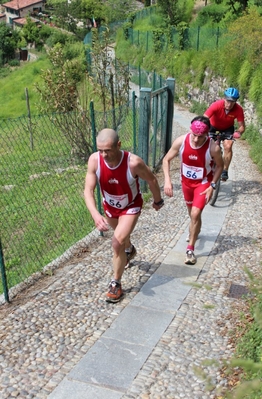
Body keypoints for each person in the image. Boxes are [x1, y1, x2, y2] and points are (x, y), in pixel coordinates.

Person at [84, 128, 164, 303]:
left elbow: (152, 180)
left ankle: (116, 283)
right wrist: (96, 215)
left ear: (118, 145)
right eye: (100, 150)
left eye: (108, 150)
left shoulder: (133, 163)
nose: (104, 155)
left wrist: (157, 200)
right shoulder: (94, 161)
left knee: (116, 242)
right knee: (123, 240)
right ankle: (130, 250)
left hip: (130, 206)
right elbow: (88, 190)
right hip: (110, 207)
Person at [162, 116, 224, 265]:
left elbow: (220, 166)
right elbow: (166, 159)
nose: (196, 140)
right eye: (194, 135)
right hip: (186, 184)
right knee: (193, 215)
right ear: (191, 131)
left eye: (200, 136)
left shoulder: (213, 148)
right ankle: (195, 231)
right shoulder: (181, 141)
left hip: (203, 184)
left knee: (195, 214)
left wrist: (212, 185)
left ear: (207, 134)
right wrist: (167, 180)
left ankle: (190, 250)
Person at [204, 87, 245, 181]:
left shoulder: (238, 109)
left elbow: (242, 126)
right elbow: (205, 117)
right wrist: (203, 128)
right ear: (224, 98)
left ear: (236, 101)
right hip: (212, 126)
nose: (229, 104)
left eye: (232, 102)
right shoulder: (216, 105)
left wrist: (238, 132)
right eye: (228, 101)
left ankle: (225, 170)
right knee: (206, 144)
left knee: (228, 146)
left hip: (227, 128)